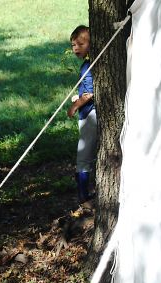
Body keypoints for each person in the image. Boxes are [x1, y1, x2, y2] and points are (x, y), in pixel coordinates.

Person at [67, 25, 97, 204]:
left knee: (83, 156)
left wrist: (75, 106)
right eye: (73, 45)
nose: (76, 48)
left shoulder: (88, 66)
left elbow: (90, 93)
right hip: (88, 114)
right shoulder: (87, 65)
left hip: (90, 115)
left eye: (80, 44)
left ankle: (83, 196)